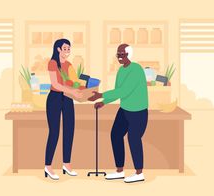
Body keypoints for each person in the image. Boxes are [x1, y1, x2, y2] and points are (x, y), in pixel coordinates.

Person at [88, 44, 148, 183]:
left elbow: (125, 91)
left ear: (129, 55)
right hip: (125, 109)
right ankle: (119, 171)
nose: (120, 57)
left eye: (123, 54)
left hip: (138, 111)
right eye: (118, 55)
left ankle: (139, 173)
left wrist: (100, 95)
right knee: (115, 135)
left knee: (133, 139)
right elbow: (117, 90)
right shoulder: (121, 70)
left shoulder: (136, 70)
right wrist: (104, 101)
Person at [44, 39, 82, 180]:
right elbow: (55, 84)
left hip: (67, 98)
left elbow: (74, 82)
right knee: (54, 132)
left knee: (69, 130)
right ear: (58, 49)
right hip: (55, 98)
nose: (67, 51)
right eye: (65, 49)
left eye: (69, 49)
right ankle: (48, 166)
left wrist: (81, 90)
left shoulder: (69, 65)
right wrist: (72, 91)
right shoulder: (53, 63)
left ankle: (67, 164)